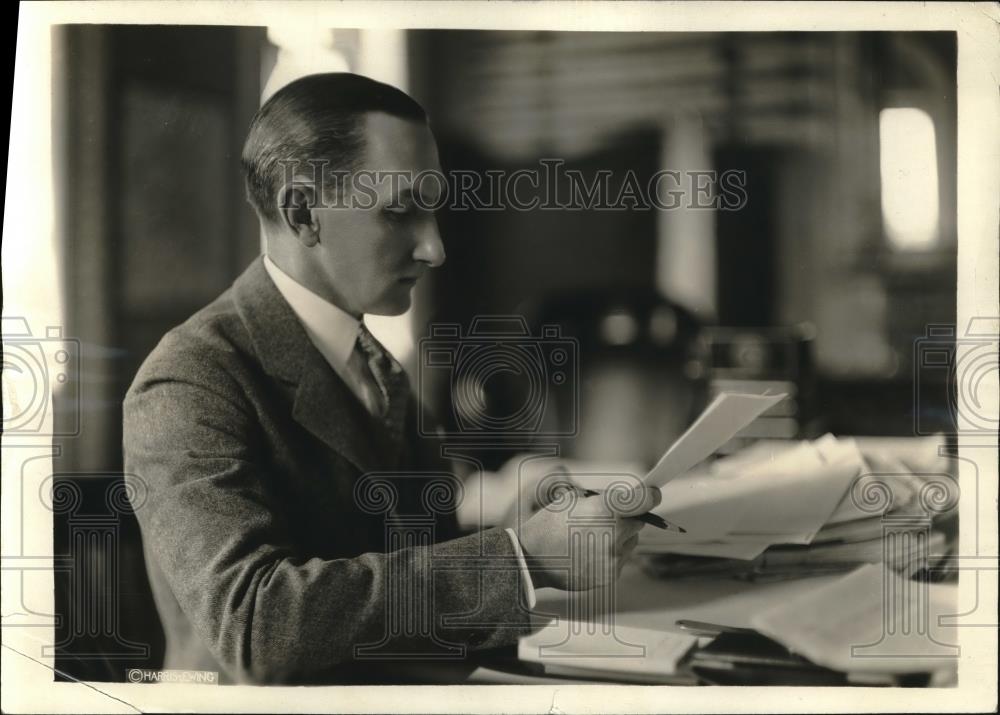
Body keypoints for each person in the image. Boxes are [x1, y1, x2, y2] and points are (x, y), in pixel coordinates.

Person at [123, 73, 660, 685]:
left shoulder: (368, 354)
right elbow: (254, 625)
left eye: (432, 209)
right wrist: (521, 558)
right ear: (303, 214)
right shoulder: (189, 381)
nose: (434, 248)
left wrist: (514, 523)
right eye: (400, 211)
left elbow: (395, 549)